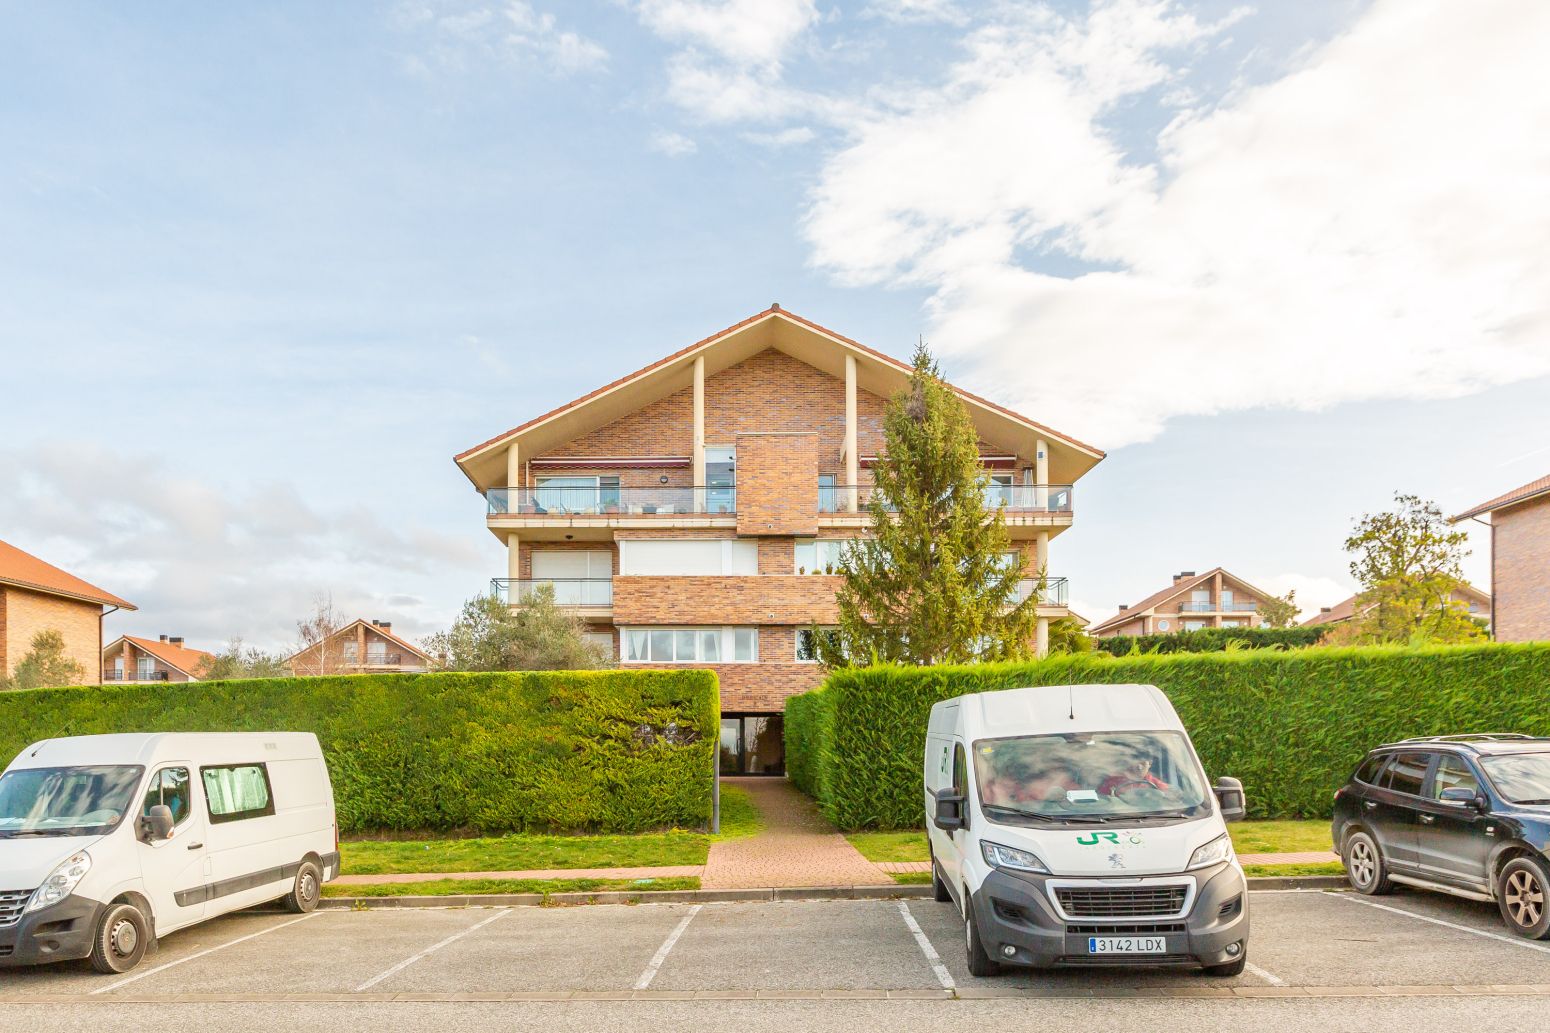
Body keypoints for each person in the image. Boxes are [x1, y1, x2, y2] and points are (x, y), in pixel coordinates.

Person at [1098, 755, 1170, 798]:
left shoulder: (1158, 785)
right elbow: (1101, 800)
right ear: (1130, 764)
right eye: (1136, 763)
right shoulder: (1113, 781)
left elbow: (1169, 802)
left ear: (1149, 765)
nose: (1139, 767)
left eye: (1143, 763)